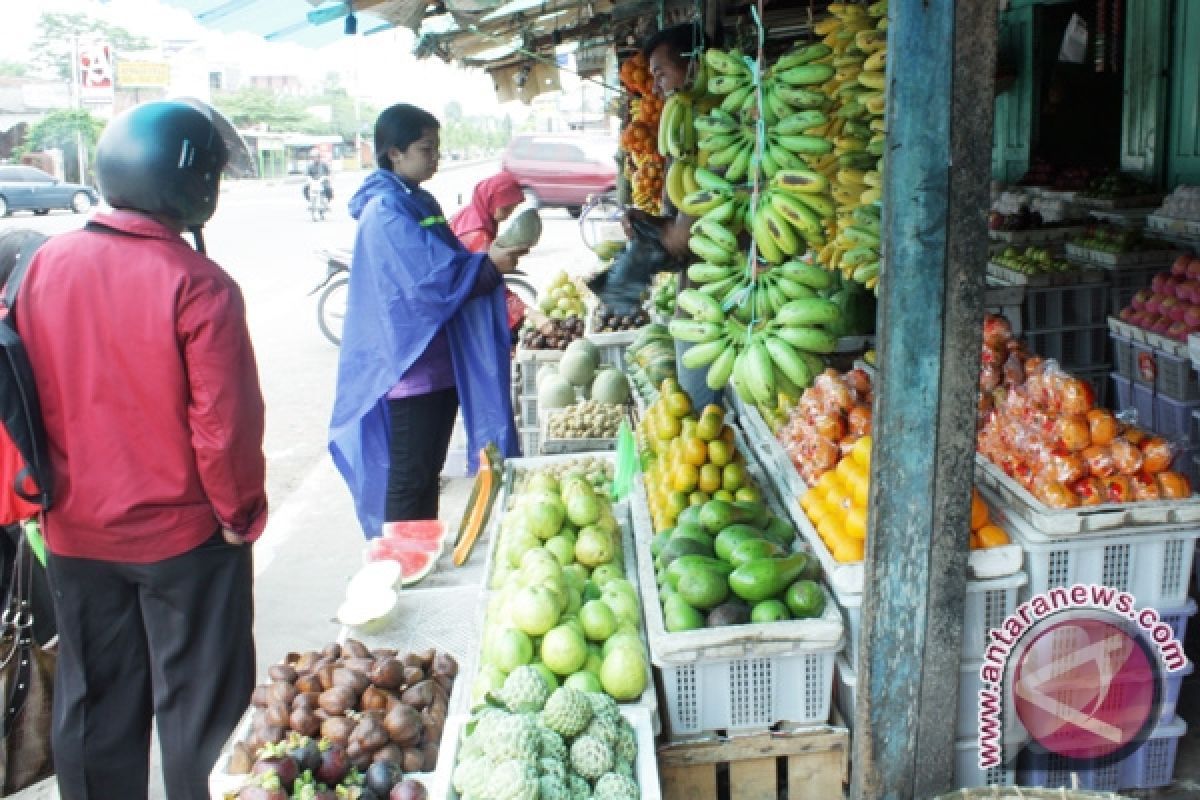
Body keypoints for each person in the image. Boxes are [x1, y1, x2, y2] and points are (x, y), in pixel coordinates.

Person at [15, 100, 267, 800]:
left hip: (75, 534)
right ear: (194, 183)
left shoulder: (43, 265)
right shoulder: (198, 283)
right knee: (202, 717)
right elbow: (225, 426)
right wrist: (238, 516)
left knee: (94, 703)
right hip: (185, 541)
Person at [329, 104, 522, 535]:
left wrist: (484, 264)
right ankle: (399, 561)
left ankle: (421, 549)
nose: (434, 158)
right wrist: (487, 267)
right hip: (410, 370)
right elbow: (428, 281)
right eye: (425, 149)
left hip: (440, 364)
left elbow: (450, 262)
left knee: (427, 470)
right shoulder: (385, 211)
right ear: (393, 153)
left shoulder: (419, 199)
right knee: (410, 475)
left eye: (437, 148)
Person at [623, 23, 720, 408]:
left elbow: (683, 239)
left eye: (662, 72)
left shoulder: (720, 135)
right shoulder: (686, 137)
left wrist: (652, 234)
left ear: (695, 65)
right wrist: (648, 224)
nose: (658, 85)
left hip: (715, 308)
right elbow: (681, 229)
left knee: (703, 421)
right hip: (695, 300)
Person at [449, 171, 530, 337]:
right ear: (490, 200)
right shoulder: (476, 233)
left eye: (512, 208)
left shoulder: (473, 214)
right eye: (506, 208)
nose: (508, 214)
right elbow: (487, 279)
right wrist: (528, 313)